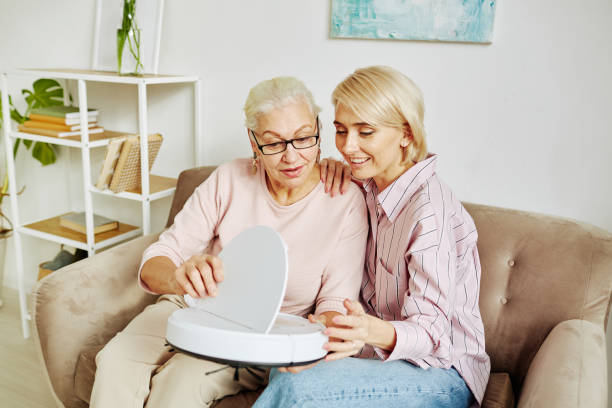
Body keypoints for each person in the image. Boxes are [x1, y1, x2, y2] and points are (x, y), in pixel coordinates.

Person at [89, 76, 368, 408]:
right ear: (253, 141)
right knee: (115, 360)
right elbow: (159, 259)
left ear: (318, 130)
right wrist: (179, 279)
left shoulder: (345, 200)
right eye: (274, 143)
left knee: (181, 383)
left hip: (264, 332)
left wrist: (323, 332)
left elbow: (335, 302)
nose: (292, 157)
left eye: (303, 138)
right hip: (192, 308)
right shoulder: (228, 178)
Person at [254, 66, 491, 408]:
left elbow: (433, 334)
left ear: (406, 134)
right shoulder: (365, 183)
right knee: (289, 368)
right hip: (380, 358)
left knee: (297, 389)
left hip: (443, 373)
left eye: (365, 132)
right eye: (340, 131)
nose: (348, 147)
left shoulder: (429, 212)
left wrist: (367, 330)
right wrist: (330, 167)